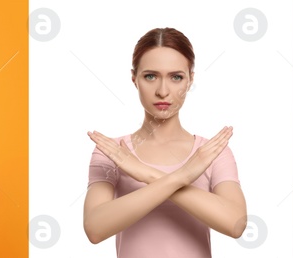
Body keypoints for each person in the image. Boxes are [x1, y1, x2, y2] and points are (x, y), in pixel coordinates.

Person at [82, 28, 247, 258]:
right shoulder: (112, 152)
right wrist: (182, 176)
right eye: (150, 76)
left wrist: (146, 174)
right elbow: (95, 229)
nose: (162, 91)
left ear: (190, 80)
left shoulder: (212, 153)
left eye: (176, 77)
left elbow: (236, 224)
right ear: (134, 80)